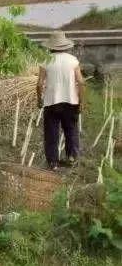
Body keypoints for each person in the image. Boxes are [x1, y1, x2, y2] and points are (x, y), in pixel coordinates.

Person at [36, 31, 85, 171]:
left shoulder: (46, 60)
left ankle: (53, 163)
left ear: (50, 47)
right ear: (65, 46)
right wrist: (81, 101)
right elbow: (81, 82)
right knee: (71, 130)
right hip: (71, 101)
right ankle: (72, 158)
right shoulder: (72, 60)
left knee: (51, 133)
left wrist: (39, 100)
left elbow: (39, 84)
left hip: (52, 102)